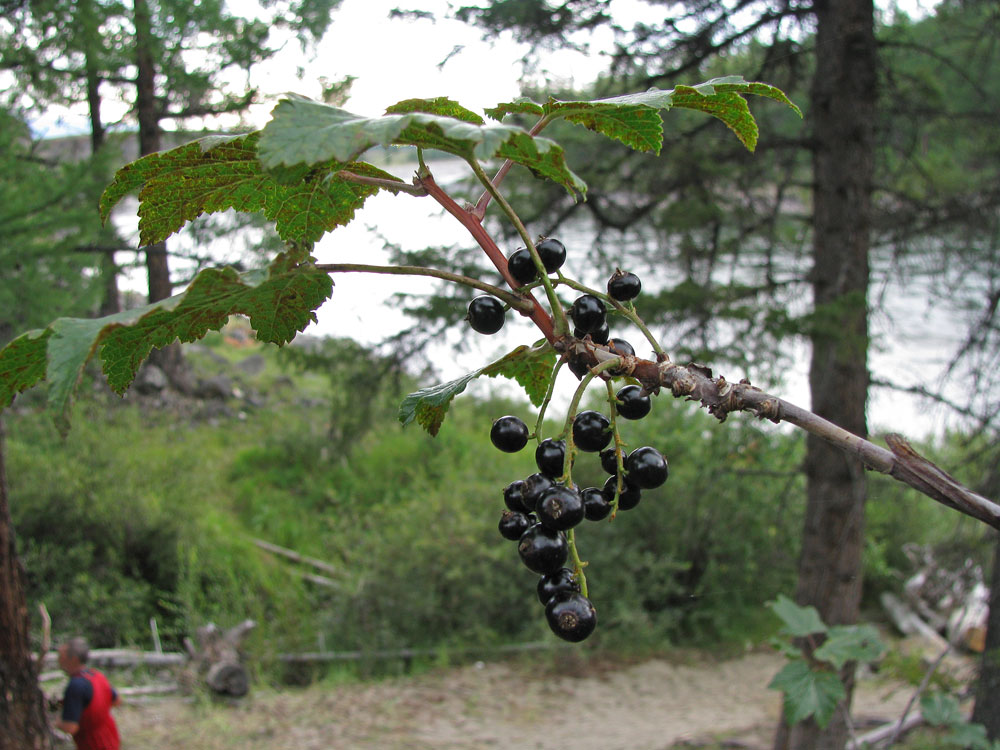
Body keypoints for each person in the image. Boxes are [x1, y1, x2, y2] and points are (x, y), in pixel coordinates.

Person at [55, 637, 121, 750]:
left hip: (93, 744)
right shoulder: (97, 676)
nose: (59, 660)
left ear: (74, 659)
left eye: (61, 656)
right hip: (111, 740)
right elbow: (116, 700)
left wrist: (53, 722)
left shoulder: (76, 685)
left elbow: (70, 727)